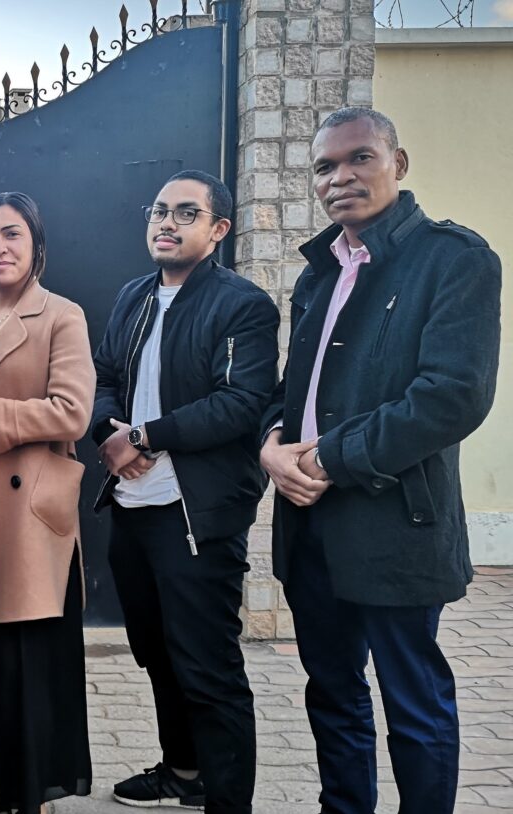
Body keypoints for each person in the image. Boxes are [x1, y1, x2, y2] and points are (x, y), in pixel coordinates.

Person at [259, 107, 501, 814]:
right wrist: (272, 448)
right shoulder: (318, 273)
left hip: (397, 526)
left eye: (359, 158)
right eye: (325, 167)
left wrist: (330, 458)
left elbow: (452, 398)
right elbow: (291, 392)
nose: (340, 178)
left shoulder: (454, 259)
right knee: (332, 695)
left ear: (400, 162)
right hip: (308, 527)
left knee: (414, 707)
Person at [92, 171, 279, 813]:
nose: (166, 223)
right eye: (159, 211)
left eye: (186, 214)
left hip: (194, 515)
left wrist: (146, 435)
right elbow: (106, 376)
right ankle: (184, 771)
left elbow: (242, 402)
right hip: (131, 509)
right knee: (155, 653)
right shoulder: (133, 297)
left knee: (208, 669)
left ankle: (228, 801)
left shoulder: (242, 304)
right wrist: (108, 433)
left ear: (218, 229)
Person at [0, 191, 95, 814]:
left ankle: (26, 793)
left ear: (35, 247)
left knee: (26, 657)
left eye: (11, 235)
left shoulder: (62, 316)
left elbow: (73, 411)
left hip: (26, 511)